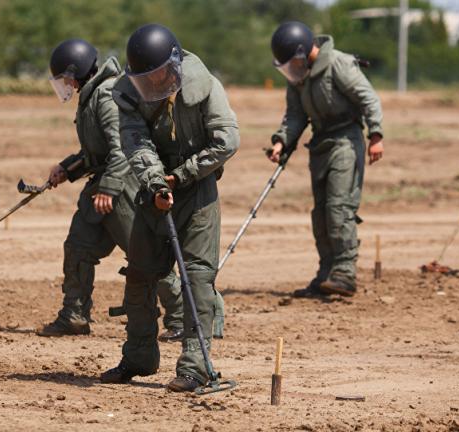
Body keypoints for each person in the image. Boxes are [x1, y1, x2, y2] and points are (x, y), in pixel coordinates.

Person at [101, 24, 239, 392]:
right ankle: (139, 357)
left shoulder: (206, 86)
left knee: (197, 279)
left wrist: (183, 176)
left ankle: (195, 368)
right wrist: (158, 181)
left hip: (197, 193)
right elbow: (135, 140)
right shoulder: (130, 96)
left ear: (175, 63)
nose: (155, 84)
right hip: (155, 189)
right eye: (146, 79)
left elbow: (228, 140)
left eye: (160, 75)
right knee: (140, 274)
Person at [37, 38, 184, 339]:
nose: (65, 84)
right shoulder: (92, 94)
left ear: (76, 72)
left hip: (122, 189)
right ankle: (74, 315)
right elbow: (97, 152)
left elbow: (121, 149)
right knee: (79, 247)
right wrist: (68, 168)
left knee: (147, 255)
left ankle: (183, 319)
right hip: (102, 189)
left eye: (65, 77)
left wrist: (110, 188)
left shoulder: (105, 95)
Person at [266, 21, 384, 298]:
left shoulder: (338, 64)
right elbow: (295, 115)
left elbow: (369, 99)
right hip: (320, 144)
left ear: (304, 52)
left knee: (338, 208)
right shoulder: (299, 77)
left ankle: (345, 272)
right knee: (320, 215)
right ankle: (326, 274)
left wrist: (376, 135)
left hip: (346, 140)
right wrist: (281, 141)